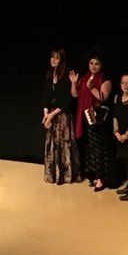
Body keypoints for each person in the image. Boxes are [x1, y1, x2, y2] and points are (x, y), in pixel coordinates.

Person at [70, 52, 113, 191]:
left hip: (98, 119)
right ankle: (94, 176)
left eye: (97, 63)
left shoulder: (104, 79)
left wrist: (91, 87)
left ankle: (101, 178)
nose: (93, 66)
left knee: (99, 149)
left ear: (102, 65)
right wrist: (74, 83)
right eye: (91, 63)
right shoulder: (84, 77)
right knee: (90, 149)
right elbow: (75, 95)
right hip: (85, 117)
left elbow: (103, 97)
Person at [42, 48, 81, 184]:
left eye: (57, 58)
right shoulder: (50, 74)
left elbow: (67, 100)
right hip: (51, 114)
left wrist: (51, 115)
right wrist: (46, 114)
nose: (53, 60)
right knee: (52, 144)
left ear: (62, 60)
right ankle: (54, 174)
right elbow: (46, 96)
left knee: (64, 144)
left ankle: (66, 175)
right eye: (52, 57)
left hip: (62, 114)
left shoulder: (66, 74)